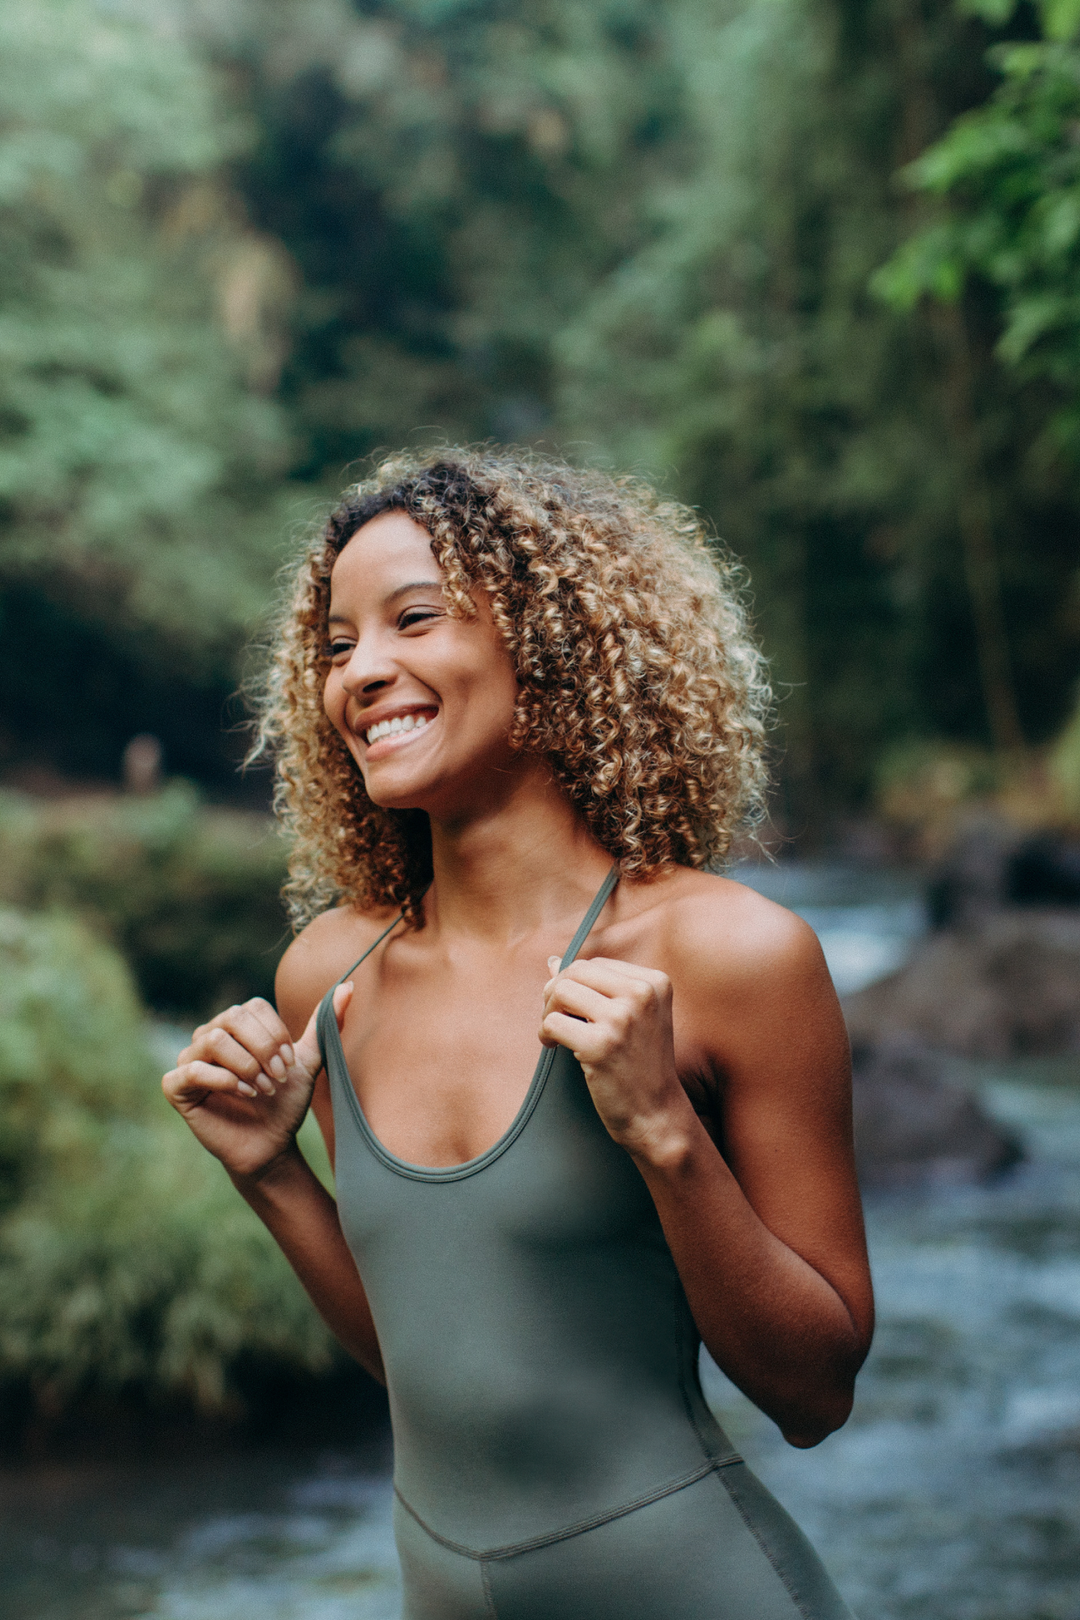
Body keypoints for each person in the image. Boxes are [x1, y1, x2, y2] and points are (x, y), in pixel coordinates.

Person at [163, 450, 873, 1619]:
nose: (363, 673)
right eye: (338, 644)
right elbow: (432, 1358)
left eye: (414, 620)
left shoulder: (730, 956)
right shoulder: (330, 976)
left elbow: (815, 1396)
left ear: (545, 649)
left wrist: (665, 1136)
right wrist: (270, 1175)